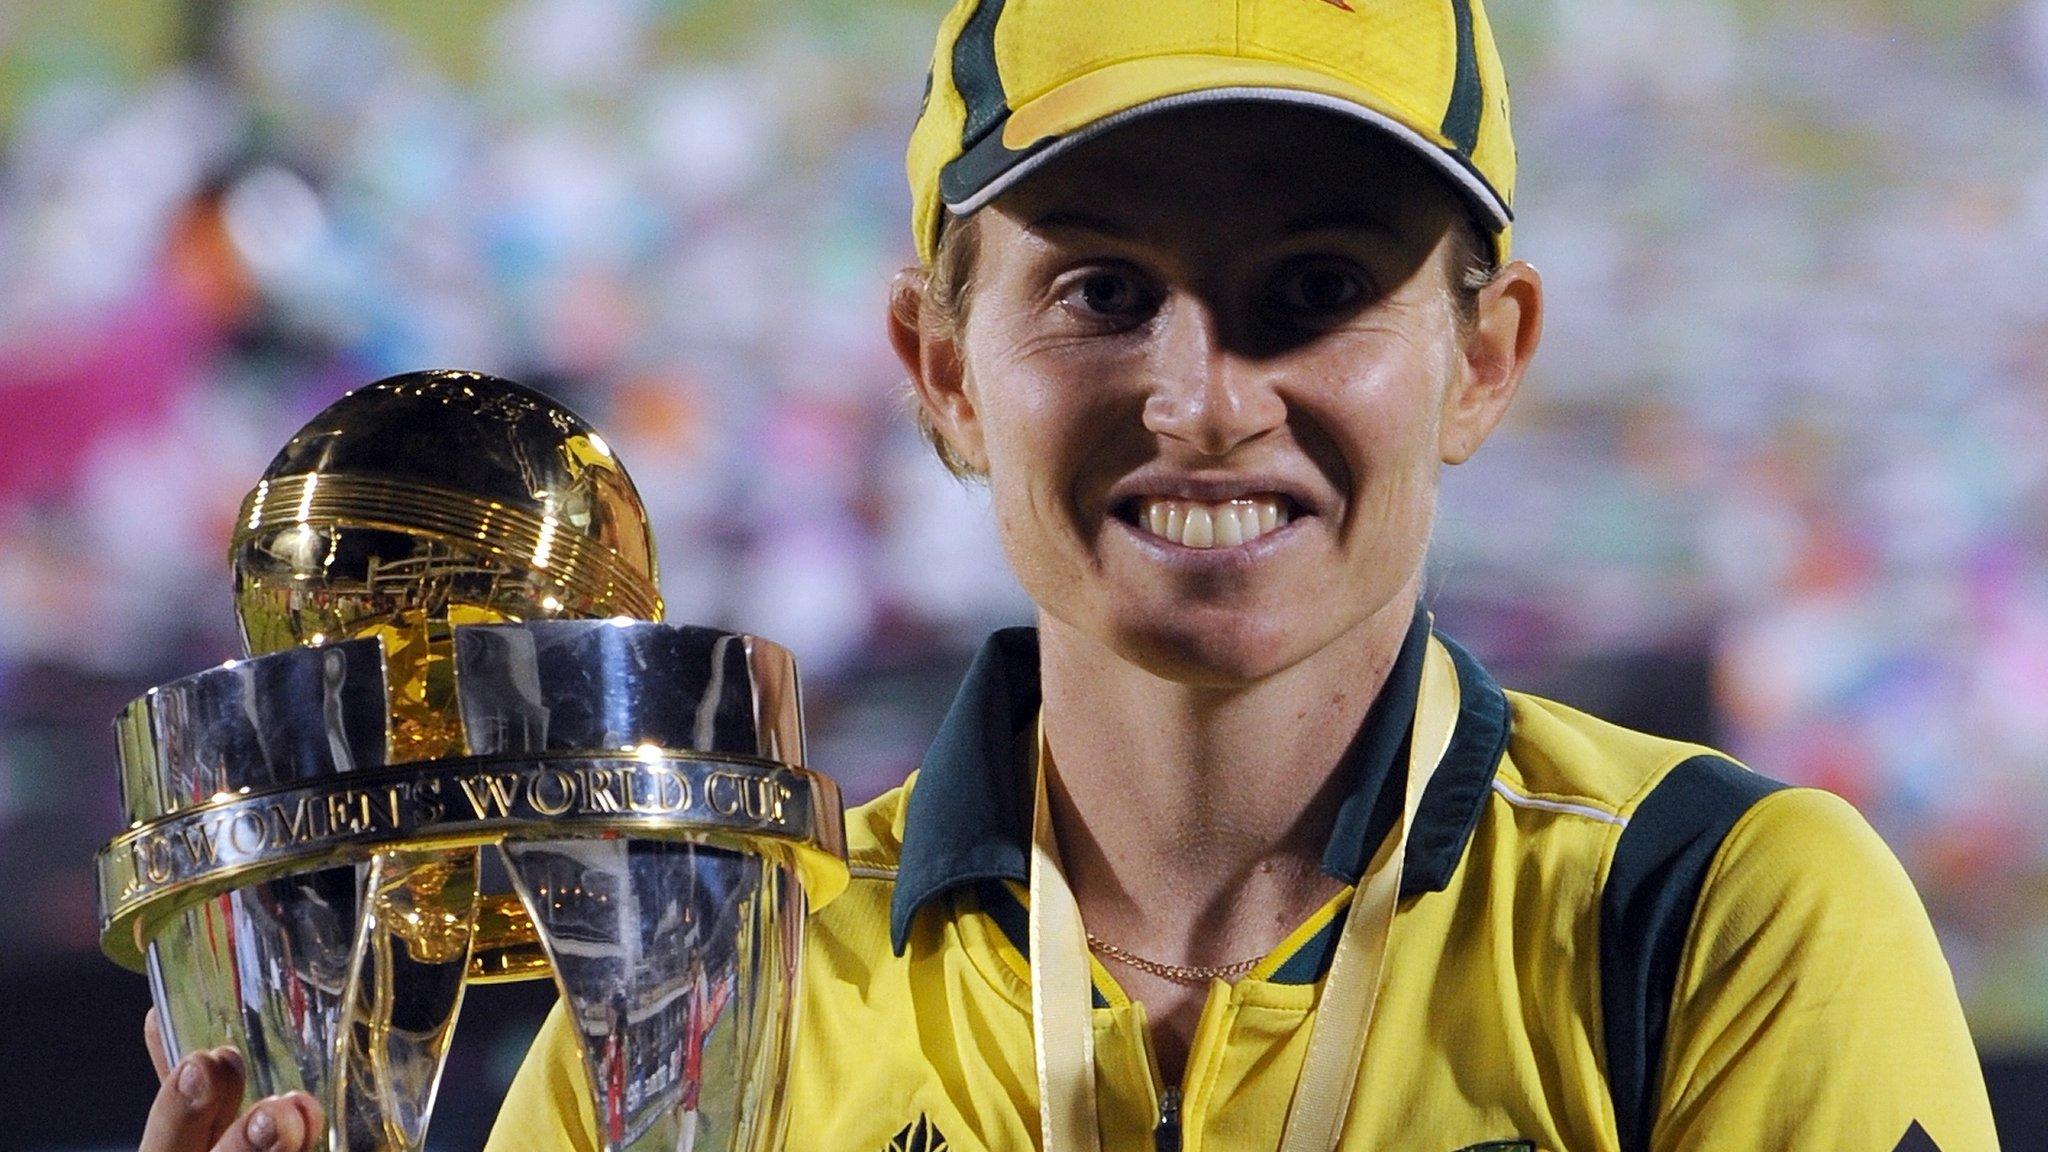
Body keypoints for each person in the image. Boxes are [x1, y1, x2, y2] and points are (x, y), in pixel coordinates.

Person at [137, 2, 1999, 1150]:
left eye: (1319, 291)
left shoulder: (1723, 922)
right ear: (943, 367)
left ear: (1486, 354)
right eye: (1102, 291)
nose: (1202, 402)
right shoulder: (718, 998)